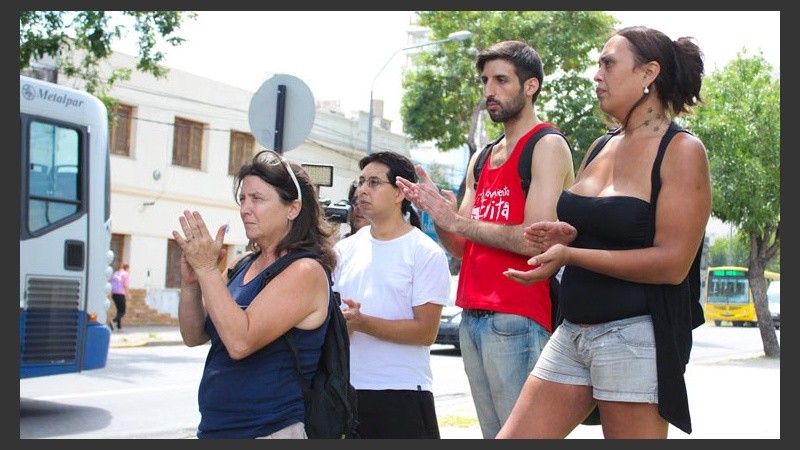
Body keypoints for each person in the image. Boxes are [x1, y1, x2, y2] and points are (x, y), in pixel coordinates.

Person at [499, 26, 710, 439]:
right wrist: (565, 237)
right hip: (573, 330)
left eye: (608, 64)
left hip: (634, 335)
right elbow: (610, 230)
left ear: (649, 73)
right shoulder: (600, 146)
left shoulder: (682, 150)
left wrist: (572, 257)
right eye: (598, 64)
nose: (597, 75)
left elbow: (672, 264)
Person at [396, 40, 575, 438]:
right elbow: (461, 246)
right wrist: (439, 216)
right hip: (471, 316)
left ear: (531, 86)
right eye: (485, 81)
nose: (489, 91)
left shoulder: (547, 145)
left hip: (518, 315)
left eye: (500, 80)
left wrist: (459, 224)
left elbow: (536, 241)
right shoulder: (483, 156)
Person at [173, 149, 338, 439]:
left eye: (257, 199)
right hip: (216, 429)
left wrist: (208, 270)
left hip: (269, 430)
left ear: (293, 208)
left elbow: (240, 342)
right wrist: (191, 284)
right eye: (243, 199)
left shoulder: (304, 271)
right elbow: (194, 335)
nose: (245, 209)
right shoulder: (241, 264)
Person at [332, 151, 451, 439]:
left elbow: (425, 331)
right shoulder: (344, 250)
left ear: (400, 193)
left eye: (374, 182)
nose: (362, 190)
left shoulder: (424, 252)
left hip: (402, 393)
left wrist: (361, 322)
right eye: (361, 182)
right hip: (346, 391)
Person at [109, 263, 129, 330]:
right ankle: (113, 321)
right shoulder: (125, 274)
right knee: (122, 312)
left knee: (119, 310)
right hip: (121, 294)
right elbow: (125, 285)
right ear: (126, 268)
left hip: (114, 294)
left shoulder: (115, 273)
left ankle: (119, 326)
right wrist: (127, 294)